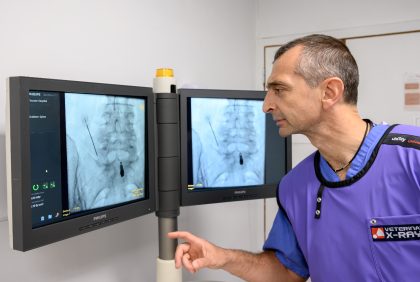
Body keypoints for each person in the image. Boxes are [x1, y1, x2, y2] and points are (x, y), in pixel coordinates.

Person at [168, 34, 420, 282]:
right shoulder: (295, 186)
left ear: (329, 91)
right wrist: (222, 257)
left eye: (279, 89)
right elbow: (287, 272)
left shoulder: (413, 156)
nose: (266, 105)